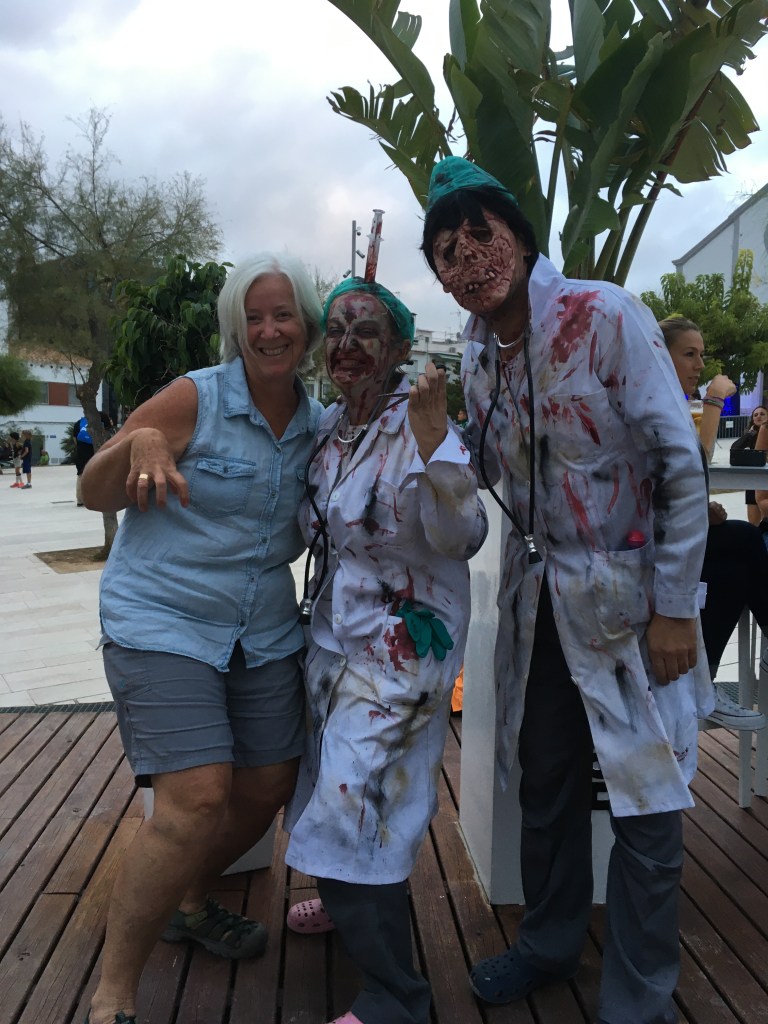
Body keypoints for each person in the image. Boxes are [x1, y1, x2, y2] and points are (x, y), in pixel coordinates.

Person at [421, 156, 711, 1024]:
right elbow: (487, 479)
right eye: (446, 250)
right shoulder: (477, 354)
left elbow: (680, 465)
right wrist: (431, 440)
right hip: (537, 603)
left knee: (646, 797)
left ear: (517, 234)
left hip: (630, 603)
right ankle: (549, 945)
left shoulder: (604, 315)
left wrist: (674, 607)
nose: (468, 257)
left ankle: (639, 996)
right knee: (543, 780)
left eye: (480, 232)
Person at [80, 252, 324, 1024]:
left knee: (267, 784)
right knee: (194, 800)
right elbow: (92, 491)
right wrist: (139, 445)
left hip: (261, 628)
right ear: (233, 329)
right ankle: (114, 993)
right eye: (253, 318)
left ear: (308, 325)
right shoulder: (197, 396)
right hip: (163, 617)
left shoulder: (319, 424)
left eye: (283, 314)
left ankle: (185, 900)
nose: (269, 330)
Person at [283, 277, 487, 1024]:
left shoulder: (420, 424)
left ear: (399, 347)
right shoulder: (331, 426)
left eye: (365, 332)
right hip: (334, 641)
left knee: (355, 799)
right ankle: (349, 904)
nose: (346, 345)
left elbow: (464, 538)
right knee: (331, 786)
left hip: (404, 650)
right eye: (336, 331)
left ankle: (396, 996)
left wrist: (437, 451)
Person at [658, 317, 766, 727]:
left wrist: (700, 510)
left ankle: (705, 686)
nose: (700, 365)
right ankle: (704, 686)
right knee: (746, 538)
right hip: (650, 545)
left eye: (701, 355)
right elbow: (694, 468)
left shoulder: (670, 402)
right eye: (689, 354)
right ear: (658, 354)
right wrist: (716, 401)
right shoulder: (654, 403)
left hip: (673, 533)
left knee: (735, 569)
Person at [731, 405, 768, 525]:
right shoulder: (751, 435)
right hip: (754, 477)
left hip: (765, 476)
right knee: (753, 523)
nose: (758, 416)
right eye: (755, 415)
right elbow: (734, 448)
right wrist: (749, 434)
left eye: (762, 414)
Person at [74, 410, 114, 505]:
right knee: (101, 474)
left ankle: (80, 500)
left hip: (82, 452)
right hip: (98, 451)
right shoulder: (103, 418)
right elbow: (110, 434)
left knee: (81, 474)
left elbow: (75, 439)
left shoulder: (79, 423)